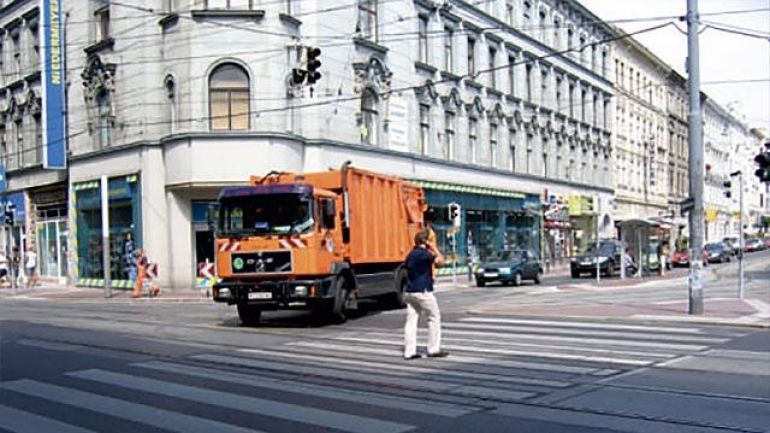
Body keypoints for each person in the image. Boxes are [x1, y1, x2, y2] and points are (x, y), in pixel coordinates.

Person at [403, 229, 449, 360]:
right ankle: (433, 349)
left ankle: (409, 351)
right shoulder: (423, 254)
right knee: (434, 317)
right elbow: (440, 262)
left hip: (410, 291)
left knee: (411, 320)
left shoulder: (411, 254)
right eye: (431, 239)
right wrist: (434, 248)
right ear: (426, 241)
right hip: (423, 291)